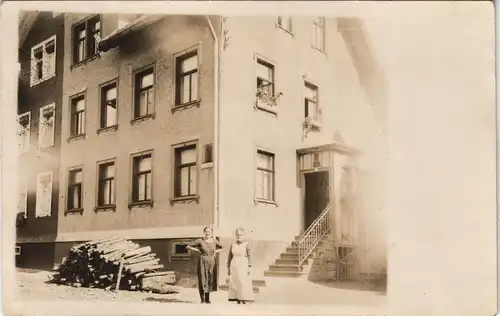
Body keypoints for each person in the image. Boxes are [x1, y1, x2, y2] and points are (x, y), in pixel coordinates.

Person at [187, 225, 224, 304]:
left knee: (209, 279)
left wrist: (215, 252)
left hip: (211, 261)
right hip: (202, 261)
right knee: (202, 279)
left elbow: (222, 247)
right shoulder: (200, 240)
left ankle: (208, 299)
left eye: (209, 232)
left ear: (211, 233)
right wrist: (197, 250)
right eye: (206, 232)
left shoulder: (214, 241)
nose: (208, 233)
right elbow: (188, 246)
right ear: (204, 232)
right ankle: (202, 299)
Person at [227, 228, 254, 304]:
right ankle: (237, 298)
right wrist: (228, 267)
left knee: (242, 281)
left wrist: (249, 267)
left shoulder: (246, 244)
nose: (239, 236)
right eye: (238, 234)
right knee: (235, 281)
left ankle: (243, 298)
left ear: (244, 235)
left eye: (241, 234)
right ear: (236, 235)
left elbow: (250, 256)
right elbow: (229, 257)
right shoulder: (233, 245)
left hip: (243, 264)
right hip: (234, 265)